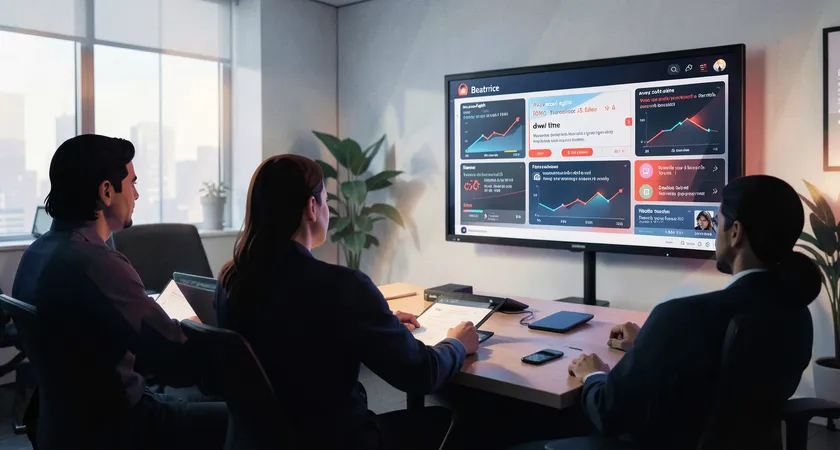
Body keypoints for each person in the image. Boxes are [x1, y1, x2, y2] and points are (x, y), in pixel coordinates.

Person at [215, 154, 479, 450]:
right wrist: (457, 343)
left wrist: (380, 324)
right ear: (311, 207)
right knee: (451, 419)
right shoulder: (342, 287)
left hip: (260, 441)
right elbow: (421, 373)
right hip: (340, 440)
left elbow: (297, 335)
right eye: (326, 201)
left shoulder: (230, 281)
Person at [561, 175, 820, 449]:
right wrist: (649, 345)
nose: (714, 234)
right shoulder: (795, 311)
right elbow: (721, 378)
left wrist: (593, 374)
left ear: (735, 233)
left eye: (716, 223)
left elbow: (609, 412)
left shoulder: (683, 316)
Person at [12, 134, 228, 449]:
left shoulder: (36, 253)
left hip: (62, 426)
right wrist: (226, 346)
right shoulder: (96, 263)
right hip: (120, 426)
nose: (136, 194)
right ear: (106, 191)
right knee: (247, 421)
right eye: (132, 183)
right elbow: (174, 360)